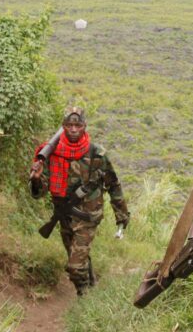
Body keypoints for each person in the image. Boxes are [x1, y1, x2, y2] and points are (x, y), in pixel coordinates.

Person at [29, 106, 130, 296]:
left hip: (88, 217)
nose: (74, 129)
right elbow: (39, 193)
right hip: (64, 215)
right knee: (78, 257)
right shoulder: (51, 153)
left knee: (75, 266)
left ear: (84, 126)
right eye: (69, 125)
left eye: (78, 125)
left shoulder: (96, 154)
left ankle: (84, 296)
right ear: (63, 126)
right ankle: (91, 285)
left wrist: (122, 215)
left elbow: (113, 184)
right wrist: (36, 179)